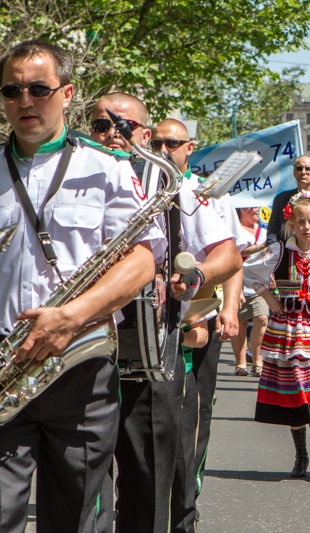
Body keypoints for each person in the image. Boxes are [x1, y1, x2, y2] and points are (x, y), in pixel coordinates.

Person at [0, 41, 166, 532]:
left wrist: (71, 316)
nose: (24, 101)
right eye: (11, 91)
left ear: (67, 93)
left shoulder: (107, 168)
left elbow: (141, 261)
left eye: (38, 89)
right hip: (6, 367)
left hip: (81, 369)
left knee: (76, 520)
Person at [92, 95, 241, 533]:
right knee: (86, 480)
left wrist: (194, 280)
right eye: (100, 126)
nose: (109, 135)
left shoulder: (175, 187)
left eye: (120, 126)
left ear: (141, 134)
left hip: (152, 352)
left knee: (150, 477)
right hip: (82, 352)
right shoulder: (72, 177)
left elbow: (228, 254)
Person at [243, 191, 310, 477]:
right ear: (291, 223)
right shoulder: (278, 251)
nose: (307, 227)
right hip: (287, 328)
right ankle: (301, 455)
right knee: (296, 389)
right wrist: (267, 295)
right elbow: (248, 271)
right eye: (301, 221)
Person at [231, 207, 269, 376]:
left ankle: (257, 360)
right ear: (241, 209)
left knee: (262, 318)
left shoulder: (264, 232)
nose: (256, 210)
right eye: (251, 207)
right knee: (239, 323)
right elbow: (233, 252)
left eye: (256, 207)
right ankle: (241, 364)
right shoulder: (234, 230)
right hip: (238, 282)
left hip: (259, 284)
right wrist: (258, 247)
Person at [266, 154, 310, 245]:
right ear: (294, 172)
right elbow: (273, 232)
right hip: (287, 253)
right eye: (299, 168)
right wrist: (276, 253)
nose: (303, 172)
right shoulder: (281, 199)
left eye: (308, 169)